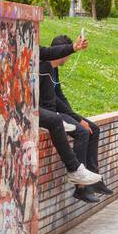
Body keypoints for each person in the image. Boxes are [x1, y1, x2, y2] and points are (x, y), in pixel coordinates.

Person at [38, 33, 106, 196]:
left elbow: (58, 96)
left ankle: (94, 180)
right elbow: (48, 101)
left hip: (54, 111)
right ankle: (81, 187)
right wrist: (75, 118)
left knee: (93, 129)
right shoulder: (44, 67)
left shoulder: (51, 69)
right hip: (49, 112)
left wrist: (76, 117)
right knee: (81, 131)